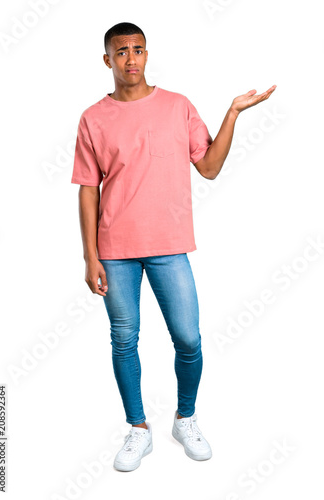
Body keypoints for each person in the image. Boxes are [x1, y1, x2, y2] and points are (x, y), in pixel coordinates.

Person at [71, 21, 277, 472]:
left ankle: (185, 417)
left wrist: (232, 114)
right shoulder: (93, 118)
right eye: (121, 51)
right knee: (125, 339)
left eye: (138, 49)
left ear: (148, 54)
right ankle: (138, 429)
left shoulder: (177, 106)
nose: (131, 58)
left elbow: (208, 167)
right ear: (108, 60)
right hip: (114, 249)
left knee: (188, 337)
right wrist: (90, 256)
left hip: (168, 245)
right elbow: (88, 189)